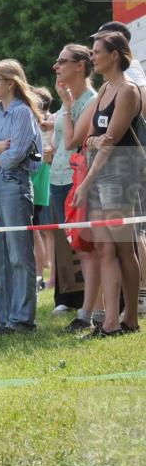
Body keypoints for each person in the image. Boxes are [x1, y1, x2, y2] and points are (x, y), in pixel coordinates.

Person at [70, 32, 144, 336]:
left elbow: (111, 142)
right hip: (100, 174)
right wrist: (94, 141)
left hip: (120, 173)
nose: (92, 57)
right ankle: (114, 319)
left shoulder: (127, 91)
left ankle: (125, 318)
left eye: (97, 51)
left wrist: (85, 183)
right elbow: (84, 137)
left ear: (115, 55)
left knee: (124, 248)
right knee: (104, 247)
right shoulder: (104, 89)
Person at [0, 59, 43, 334]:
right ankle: (4, 318)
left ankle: (23, 319)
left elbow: (17, 153)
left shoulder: (22, 113)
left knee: (18, 253)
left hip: (14, 184)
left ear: (10, 82)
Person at [52, 44, 99, 327]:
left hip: (76, 181)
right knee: (74, 247)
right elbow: (60, 141)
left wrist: (68, 107)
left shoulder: (90, 99)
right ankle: (78, 305)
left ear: (80, 66)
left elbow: (71, 141)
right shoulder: (66, 99)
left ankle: (87, 313)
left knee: (85, 248)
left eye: (62, 61)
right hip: (58, 180)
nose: (56, 67)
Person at [30, 86, 55, 289]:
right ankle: (41, 274)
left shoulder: (46, 121)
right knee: (40, 230)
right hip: (41, 175)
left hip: (40, 176)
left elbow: (41, 153)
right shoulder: (45, 120)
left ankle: (39, 276)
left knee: (36, 230)